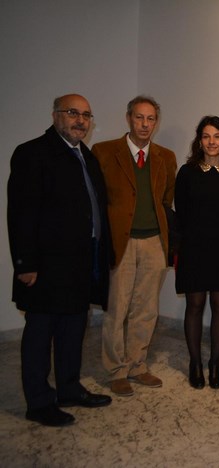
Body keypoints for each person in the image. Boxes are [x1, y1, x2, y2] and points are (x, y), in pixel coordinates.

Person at [7, 94, 112, 427]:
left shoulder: (87, 157)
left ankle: (69, 388)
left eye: (85, 115)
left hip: (82, 262)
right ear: (55, 116)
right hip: (45, 266)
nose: (80, 120)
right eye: (72, 113)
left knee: (73, 329)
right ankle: (38, 402)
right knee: (41, 333)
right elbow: (21, 213)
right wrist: (25, 263)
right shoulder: (32, 153)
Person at [92, 96, 177, 397]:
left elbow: (166, 200)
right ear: (128, 118)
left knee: (146, 309)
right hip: (120, 241)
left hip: (154, 241)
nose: (145, 124)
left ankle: (138, 365)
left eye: (151, 118)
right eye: (139, 117)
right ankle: (116, 370)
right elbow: (97, 200)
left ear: (156, 122)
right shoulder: (104, 152)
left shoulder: (166, 156)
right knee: (117, 308)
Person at [175, 116, 219, 389]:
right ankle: (195, 362)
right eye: (206, 136)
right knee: (194, 306)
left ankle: (215, 362)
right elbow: (180, 210)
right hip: (193, 247)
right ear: (199, 141)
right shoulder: (187, 172)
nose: (212, 141)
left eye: (217, 136)